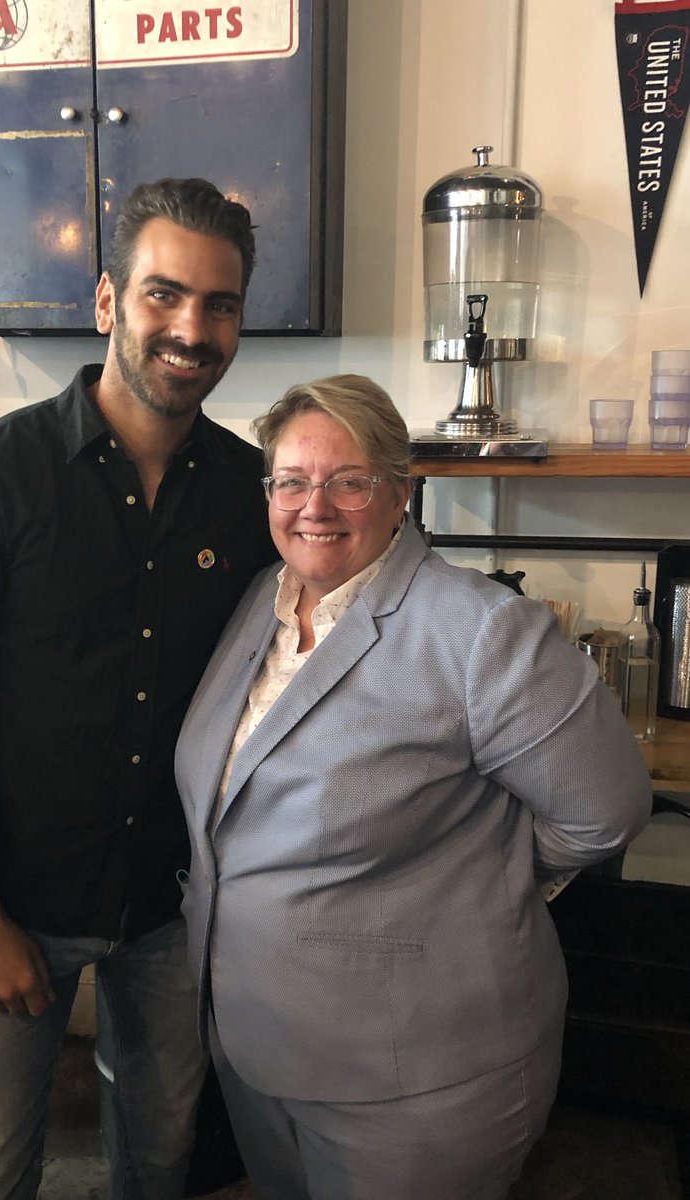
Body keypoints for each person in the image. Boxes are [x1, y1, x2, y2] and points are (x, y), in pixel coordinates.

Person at [174, 374, 652, 1200]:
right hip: (258, 1045)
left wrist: (479, 875)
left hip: (418, 1080)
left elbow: (603, 813)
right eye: (291, 480)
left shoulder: (479, 632)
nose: (313, 506)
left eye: (348, 481)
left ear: (401, 493)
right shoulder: (263, 599)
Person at [0, 178, 276, 1200]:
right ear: (108, 301)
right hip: (14, 899)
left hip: (175, 908)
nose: (191, 329)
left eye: (220, 304)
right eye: (163, 295)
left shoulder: (254, 497)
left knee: (157, 1165)